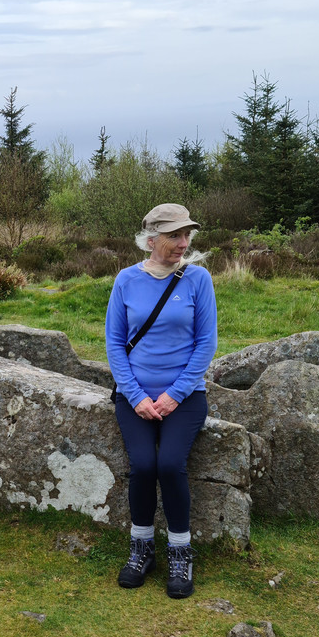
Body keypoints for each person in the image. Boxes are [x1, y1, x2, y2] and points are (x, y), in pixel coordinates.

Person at [104, 203, 217, 598]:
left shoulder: (198, 280)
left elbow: (207, 344)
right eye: (174, 236)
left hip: (185, 397)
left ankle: (181, 554)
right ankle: (141, 550)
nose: (183, 243)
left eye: (187, 235)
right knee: (143, 466)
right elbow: (115, 344)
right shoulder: (126, 280)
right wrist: (135, 396)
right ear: (151, 239)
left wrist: (173, 396)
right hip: (134, 398)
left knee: (170, 465)